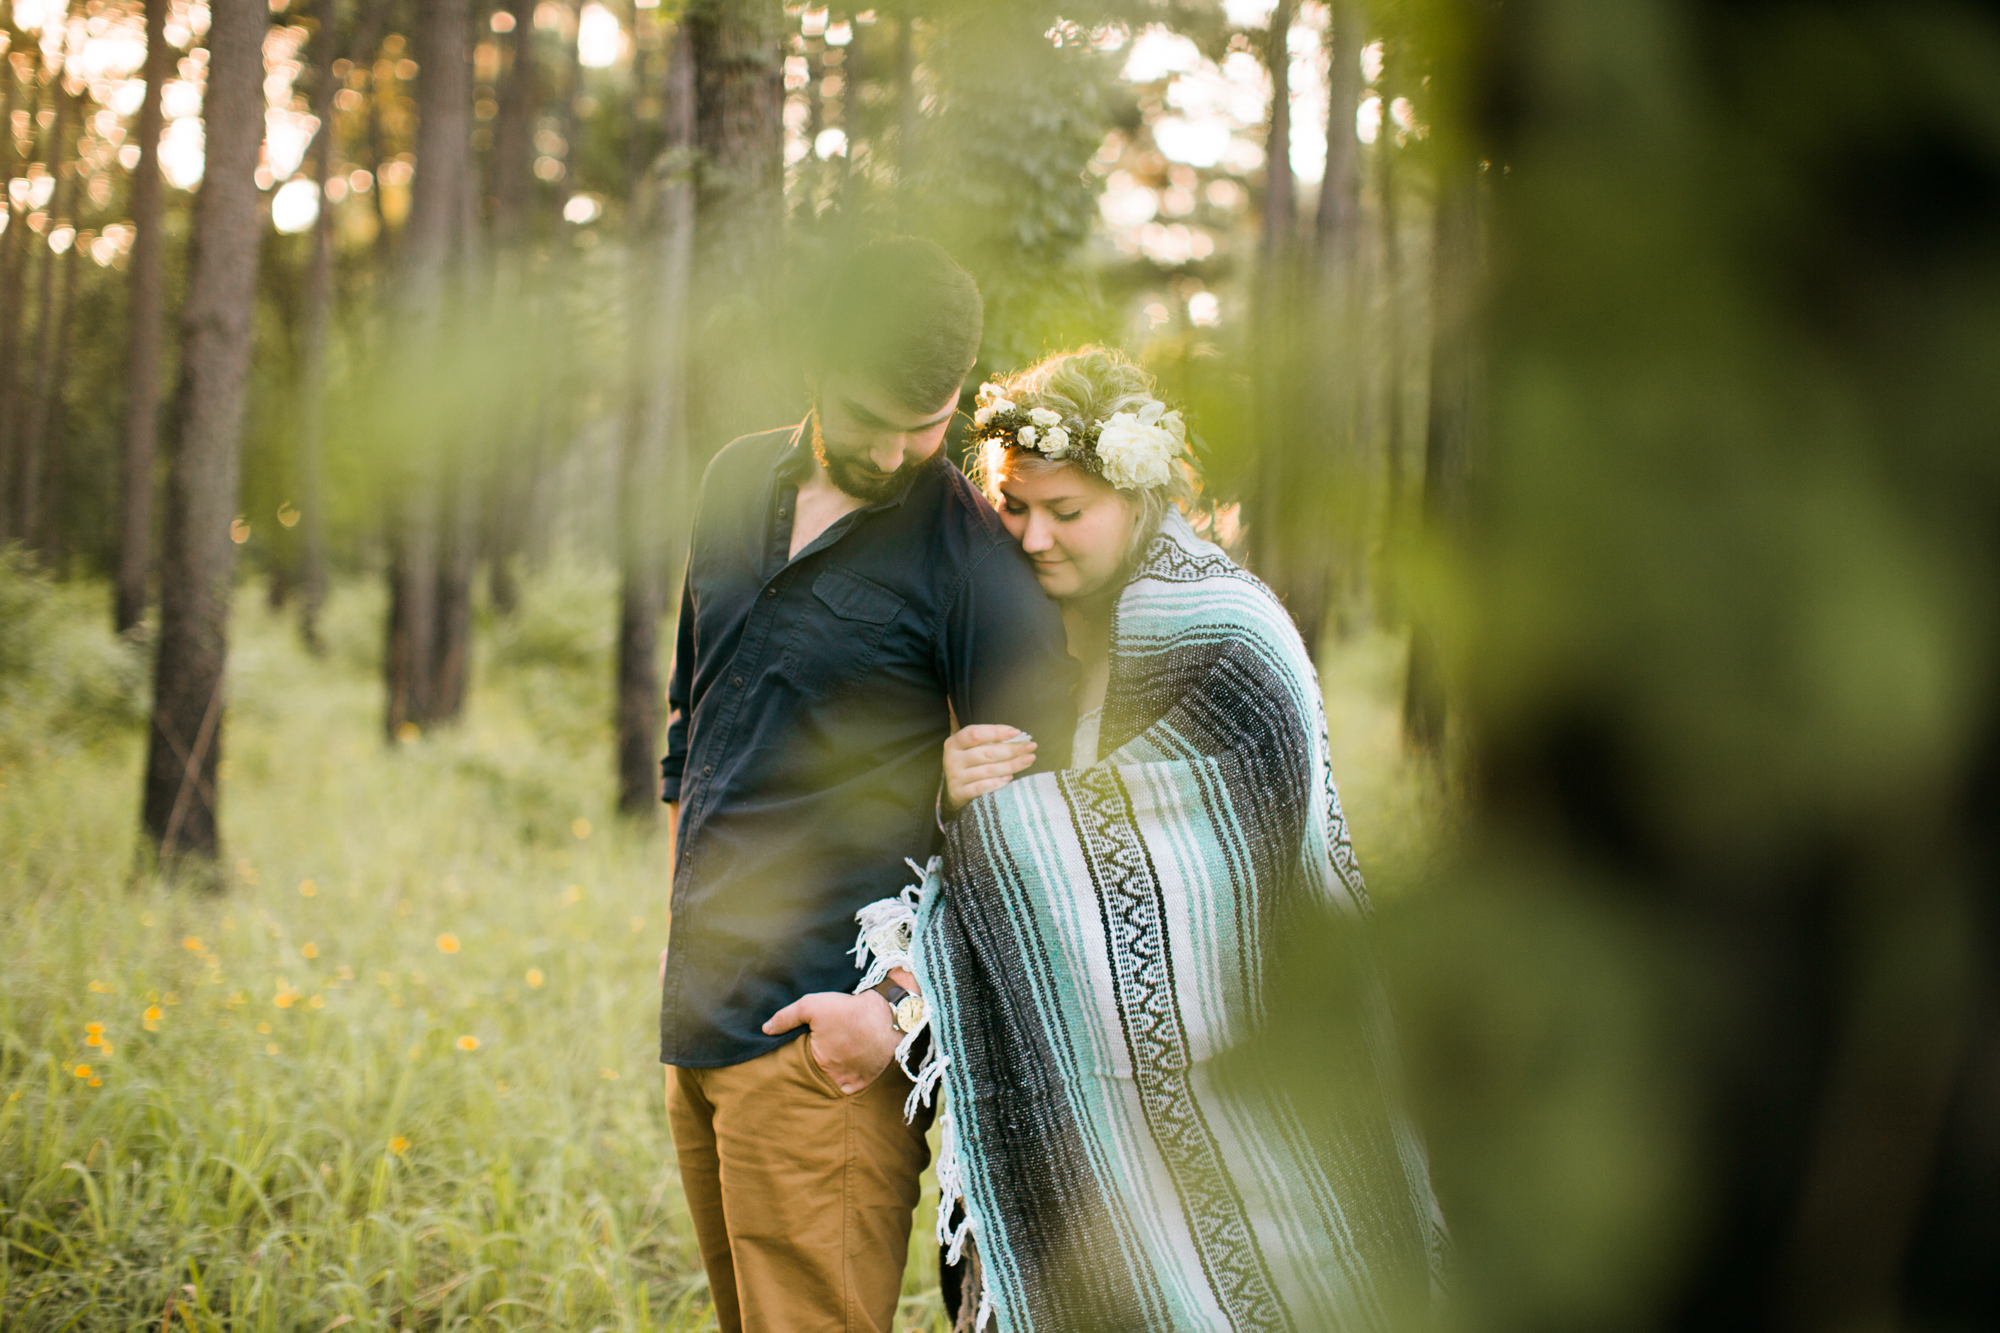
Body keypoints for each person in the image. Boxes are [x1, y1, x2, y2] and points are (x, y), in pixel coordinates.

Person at [853, 347, 1448, 1330]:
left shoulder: (1220, 627)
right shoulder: (1031, 624)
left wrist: (987, 820)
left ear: (1138, 497)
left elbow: (1193, 855)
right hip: (1092, 1087)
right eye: (1012, 504)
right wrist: (954, 785)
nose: (1033, 535)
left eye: (1066, 511)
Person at [657, 239, 1077, 1333]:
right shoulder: (732, 481)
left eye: (926, 423)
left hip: (829, 1040)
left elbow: (1040, 834)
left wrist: (889, 1011)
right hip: (698, 1020)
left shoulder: (975, 562)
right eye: (868, 415)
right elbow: (690, 732)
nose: (895, 450)